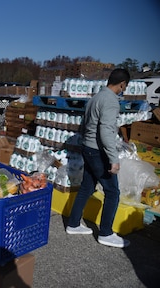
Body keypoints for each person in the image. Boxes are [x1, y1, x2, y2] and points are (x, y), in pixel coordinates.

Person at [66, 68, 131, 248]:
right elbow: (106, 131)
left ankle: (73, 224)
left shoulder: (95, 98)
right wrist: (113, 158)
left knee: (87, 187)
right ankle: (106, 233)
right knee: (112, 192)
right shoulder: (110, 101)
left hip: (88, 147)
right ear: (122, 84)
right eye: (125, 86)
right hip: (99, 151)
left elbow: (85, 124)